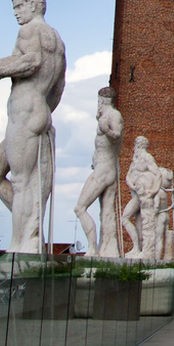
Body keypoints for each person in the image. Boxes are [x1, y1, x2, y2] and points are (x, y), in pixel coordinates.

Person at [0, 0, 66, 252]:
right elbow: (59, 87)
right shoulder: (56, 39)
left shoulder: (29, 31)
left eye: (19, 7)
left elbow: (32, 61)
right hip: (39, 111)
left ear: (33, 5)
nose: (16, 13)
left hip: (25, 113)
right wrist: (43, 112)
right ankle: (31, 231)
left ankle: (22, 244)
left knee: (22, 183)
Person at [75, 85, 124, 256]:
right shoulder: (108, 116)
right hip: (104, 167)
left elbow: (116, 135)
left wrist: (106, 129)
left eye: (98, 101)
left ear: (102, 100)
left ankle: (92, 249)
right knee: (107, 211)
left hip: (104, 170)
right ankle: (109, 248)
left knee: (80, 208)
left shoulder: (113, 115)